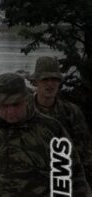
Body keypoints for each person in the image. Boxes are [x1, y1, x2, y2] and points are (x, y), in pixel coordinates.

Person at [0, 72, 92, 197]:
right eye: (5, 106)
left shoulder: (52, 131)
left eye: (16, 104)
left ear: (26, 100)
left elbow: (75, 181)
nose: (10, 111)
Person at [30, 56, 92, 190]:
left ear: (59, 82)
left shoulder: (72, 112)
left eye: (54, 79)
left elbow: (85, 153)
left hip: (64, 182)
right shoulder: (24, 111)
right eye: (45, 79)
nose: (50, 84)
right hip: (30, 185)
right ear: (36, 82)